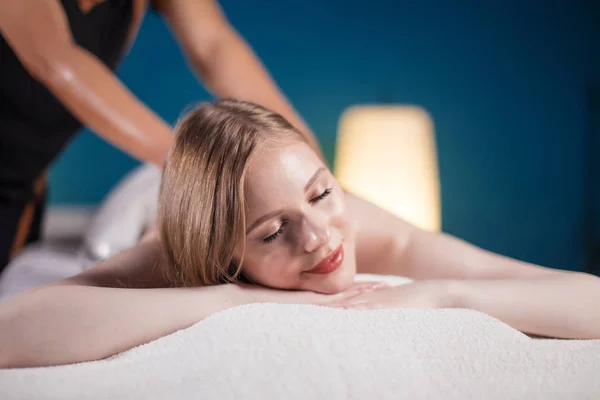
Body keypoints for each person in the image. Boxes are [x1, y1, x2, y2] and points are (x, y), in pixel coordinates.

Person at [2, 99, 600, 369]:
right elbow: (12, 331)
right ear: (224, 257)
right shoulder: (178, 253)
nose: (319, 239)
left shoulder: (368, 230)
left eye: (320, 193)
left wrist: (444, 293)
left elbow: (587, 298)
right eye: (271, 234)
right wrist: (232, 299)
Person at [0, 0, 321, 272]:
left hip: (20, 186)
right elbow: (59, 63)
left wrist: (302, 152)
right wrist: (203, 169)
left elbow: (213, 45)